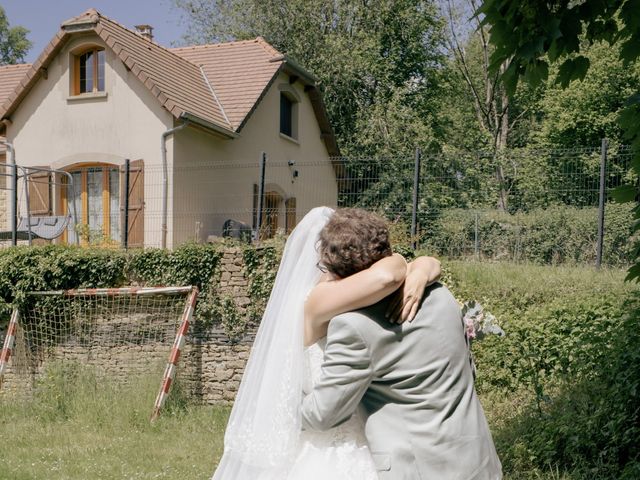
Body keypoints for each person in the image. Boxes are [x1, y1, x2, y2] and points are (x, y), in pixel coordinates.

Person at [211, 207, 441, 479]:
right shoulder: (316, 301)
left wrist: (425, 266)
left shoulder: (344, 298)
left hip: (362, 433)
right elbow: (387, 276)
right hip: (330, 437)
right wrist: (412, 265)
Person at [301, 209, 503, 479]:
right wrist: (422, 267)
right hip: (477, 460)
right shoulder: (440, 294)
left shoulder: (352, 327)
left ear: (337, 270)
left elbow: (323, 414)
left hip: (418, 470)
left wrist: (281, 409)